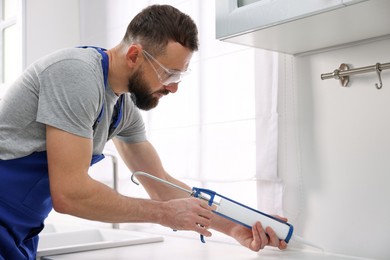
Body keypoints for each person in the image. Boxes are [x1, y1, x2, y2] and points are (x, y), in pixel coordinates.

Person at [0, 4, 287, 259]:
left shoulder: (122, 110)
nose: (174, 87)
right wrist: (163, 214)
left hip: (19, 232)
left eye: (180, 76)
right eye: (169, 73)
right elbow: (70, 194)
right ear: (135, 55)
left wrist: (236, 228)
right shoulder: (76, 74)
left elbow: (162, 185)